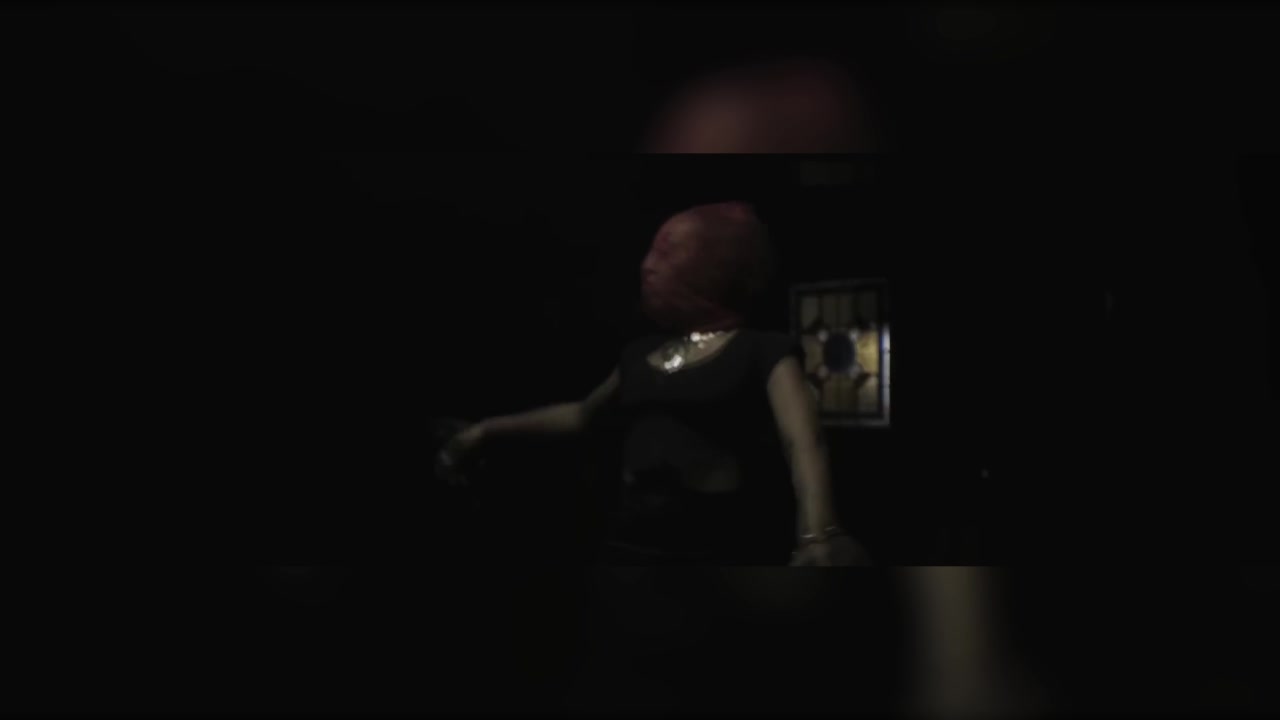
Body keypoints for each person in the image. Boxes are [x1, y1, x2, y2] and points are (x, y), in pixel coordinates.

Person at [437, 201, 870, 567]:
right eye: (654, 252)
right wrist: (485, 431)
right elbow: (582, 415)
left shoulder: (761, 349)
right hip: (631, 542)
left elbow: (803, 440)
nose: (649, 265)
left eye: (669, 252)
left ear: (718, 263)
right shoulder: (640, 354)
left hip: (717, 543)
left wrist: (818, 531)